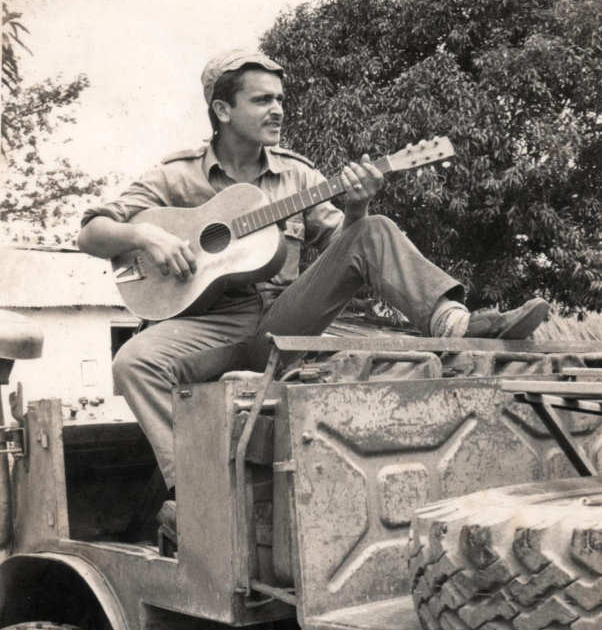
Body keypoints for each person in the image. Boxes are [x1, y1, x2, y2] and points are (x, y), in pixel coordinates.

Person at [78, 49, 550, 494]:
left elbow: (347, 250)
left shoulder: (298, 175)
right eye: (262, 100)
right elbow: (91, 233)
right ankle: (196, 495)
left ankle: (453, 322)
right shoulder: (176, 175)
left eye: (280, 99)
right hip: (208, 326)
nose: (278, 110)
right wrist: (145, 236)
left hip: (285, 317)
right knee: (133, 362)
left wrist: (358, 207)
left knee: (374, 228)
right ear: (222, 110)